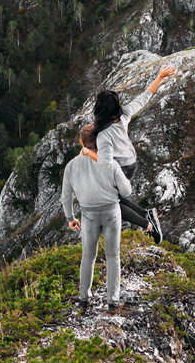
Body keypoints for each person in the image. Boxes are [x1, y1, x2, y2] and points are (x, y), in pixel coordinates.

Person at [80, 64, 176, 244]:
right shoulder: (124, 116)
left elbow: (105, 162)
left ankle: (148, 225)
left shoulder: (103, 135)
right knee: (116, 196)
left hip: (120, 167)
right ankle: (146, 213)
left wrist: (86, 152)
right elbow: (145, 96)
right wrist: (160, 77)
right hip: (131, 163)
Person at [62, 130, 132, 310]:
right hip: (111, 213)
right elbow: (126, 192)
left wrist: (70, 218)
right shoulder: (110, 164)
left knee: (88, 257)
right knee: (113, 257)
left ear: (80, 142)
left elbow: (66, 197)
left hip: (88, 215)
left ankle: (84, 299)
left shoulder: (71, 166)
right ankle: (113, 302)